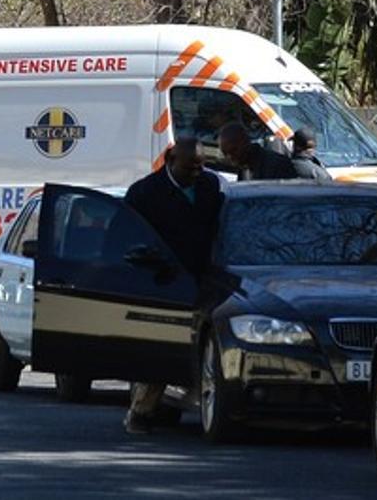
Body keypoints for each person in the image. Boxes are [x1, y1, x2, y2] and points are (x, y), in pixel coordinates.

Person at [121, 137, 224, 434]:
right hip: (161, 283)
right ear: (170, 159)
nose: (197, 172)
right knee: (161, 349)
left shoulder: (210, 187)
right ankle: (142, 411)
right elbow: (128, 238)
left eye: (202, 166)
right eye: (191, 166)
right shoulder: (144, 193)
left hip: (205, 280)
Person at [217, 121, 297, 180]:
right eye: (225, 153)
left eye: (233, 150)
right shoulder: (244, 167)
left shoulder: (278, 164)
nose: (230, 157)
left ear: (245, 141)